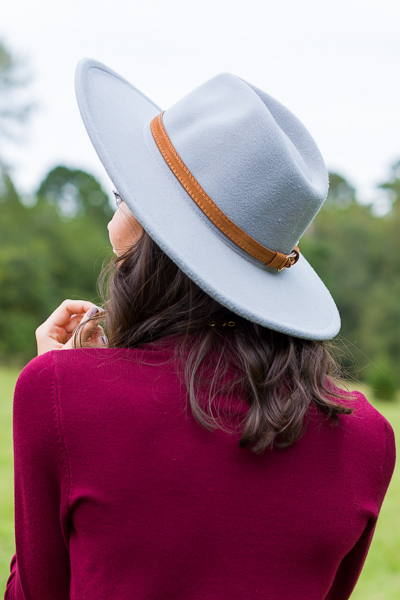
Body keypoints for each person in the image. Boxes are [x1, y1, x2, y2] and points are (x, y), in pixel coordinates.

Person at [5, 60, 396, 600]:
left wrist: (57, 384)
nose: (112, 218)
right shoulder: (367, 439)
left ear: (153, 235)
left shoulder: (58, 394)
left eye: (123, 196)